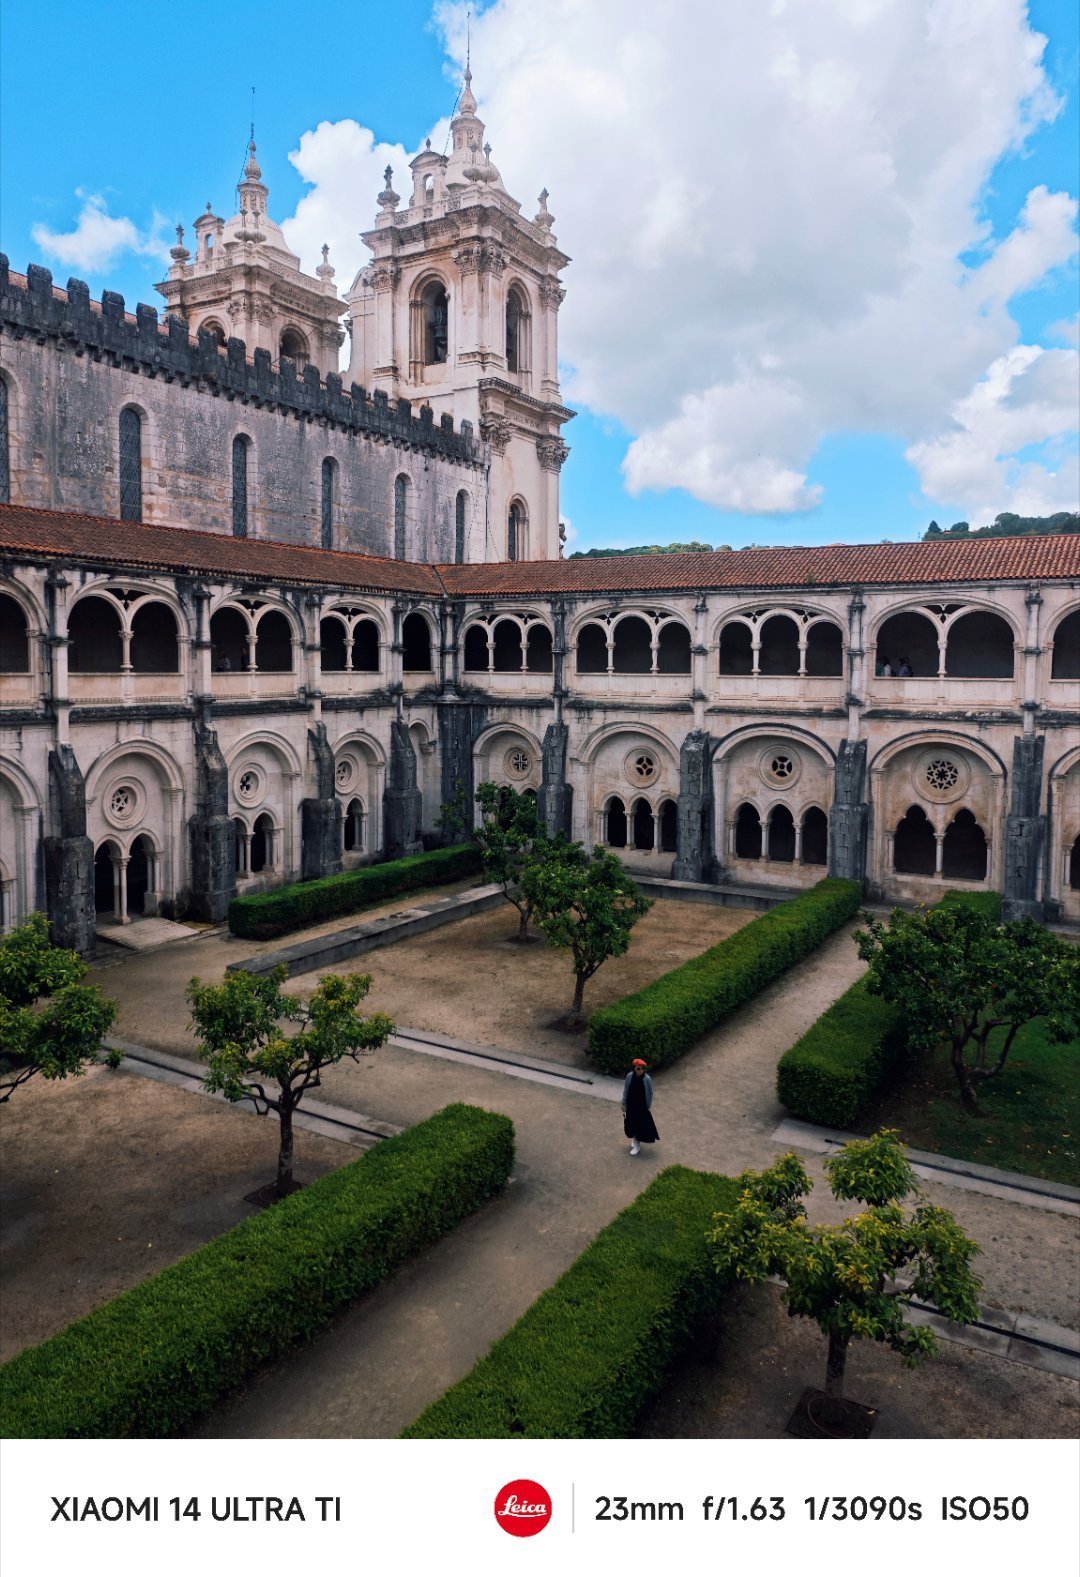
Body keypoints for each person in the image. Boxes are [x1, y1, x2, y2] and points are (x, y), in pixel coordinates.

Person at [622, 1057, 659, 1156]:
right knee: (631, 1124)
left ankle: (637, 1145)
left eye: (642, 1069)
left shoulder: (647, 1079)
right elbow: (626, 1090)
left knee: (639, 1125)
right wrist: (623, 1103)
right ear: (634, 1068)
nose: (641, 1071)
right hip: (631, 1105)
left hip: (641, 1106)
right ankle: (634, 1140)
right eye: (638, 1068)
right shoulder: (629, 1076)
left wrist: (648, 1105)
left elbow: (650, 1092)